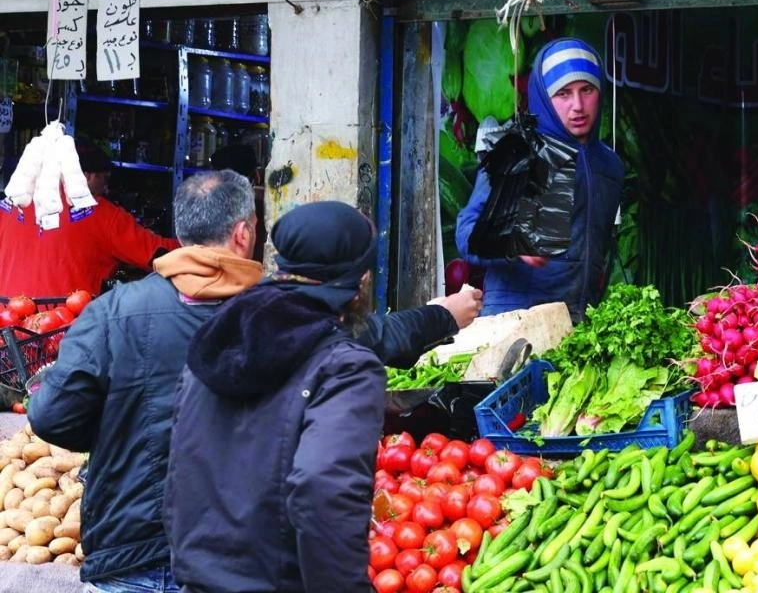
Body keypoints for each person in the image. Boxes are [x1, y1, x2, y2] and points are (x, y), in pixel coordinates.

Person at [27, 171, 481, 593]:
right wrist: (444, 315)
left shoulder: (120, 312)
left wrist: (121, 432)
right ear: (245, 234)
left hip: (140, 552)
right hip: (231, 560)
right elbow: (322, 490)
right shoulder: (279, 322)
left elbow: (52, 416)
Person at [162, 201, 386, 591]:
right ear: (360, 282)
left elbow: (178, 464)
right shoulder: (347, 367)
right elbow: (323, 493)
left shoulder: (215, 339)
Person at [456, 37, 624, 321]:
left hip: (577, 323)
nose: (578, 106)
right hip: (514, 320)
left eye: (587, 90)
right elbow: (466, 233)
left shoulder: (609, 166)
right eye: (563, 94)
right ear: (544, 97)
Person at [0, 141, 180, 297]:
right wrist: (202, 246)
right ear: (86, 176)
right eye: (104, 179)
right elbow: (160, 256)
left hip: (7, 328)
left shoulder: (9, 205)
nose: (106, 189)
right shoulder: (102, 214)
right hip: (65, 329)